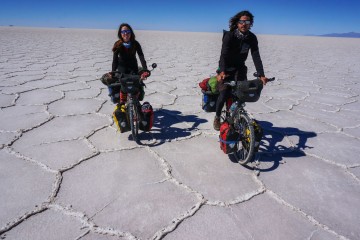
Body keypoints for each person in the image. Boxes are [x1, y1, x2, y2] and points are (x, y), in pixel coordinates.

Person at [213, 10, 269, 131]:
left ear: (250, 23)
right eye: (241, 21)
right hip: (226, 68)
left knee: (241, 94)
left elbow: (256, 56)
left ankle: (237, 116)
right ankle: (217, 117)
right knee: (223, 94)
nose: (244, 24)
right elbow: (223, 55)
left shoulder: (252, 38)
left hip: (240, 69)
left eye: (247, 22)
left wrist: (261, 74)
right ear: (237, 23)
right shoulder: (229, 35)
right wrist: (222, 71)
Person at [111, 23, 149, 104]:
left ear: (131, 32)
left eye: (127, 31)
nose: (125, 34)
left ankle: (135, 103)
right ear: (120, 33)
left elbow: (141, 56)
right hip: (122, 70)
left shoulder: (135, 43)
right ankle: (122, 104)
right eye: (123, 31)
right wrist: (113, 72)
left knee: (135, 87)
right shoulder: (118, 44)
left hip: (133, 69)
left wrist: (145, 69)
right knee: (123, 87)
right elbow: (115, 60)